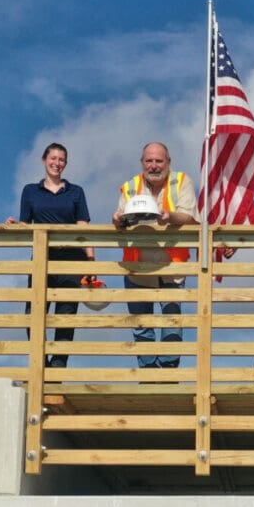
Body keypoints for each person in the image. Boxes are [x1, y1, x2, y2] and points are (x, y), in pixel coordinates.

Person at [7, 142, 93, 370]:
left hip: (72, 260)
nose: (57, 163)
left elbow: (83, 227)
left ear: (66, 164)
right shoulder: (30, 190)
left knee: (65, 317)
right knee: (33, 313)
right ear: (44, 160)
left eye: (61, 159)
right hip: (41, 259)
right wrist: (16, 226)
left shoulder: (76, 191)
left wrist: (91, 261)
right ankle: (40, 363)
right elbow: (26, 223)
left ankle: (57, 368)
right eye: (53, 158)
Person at [113, 142, 197, 369]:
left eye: (159, 161)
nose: (154, 166)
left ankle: (168, 375)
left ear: (168, 163)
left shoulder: (182, 181)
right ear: (142, 163)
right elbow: (120, 219)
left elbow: (190, 218)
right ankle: (149, 374)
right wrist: (117, 219)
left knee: (172, 324)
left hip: (172, 266)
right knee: (141, 326)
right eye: (149, 161)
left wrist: (170, 216)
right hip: (138, 267)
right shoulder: (130, 186)